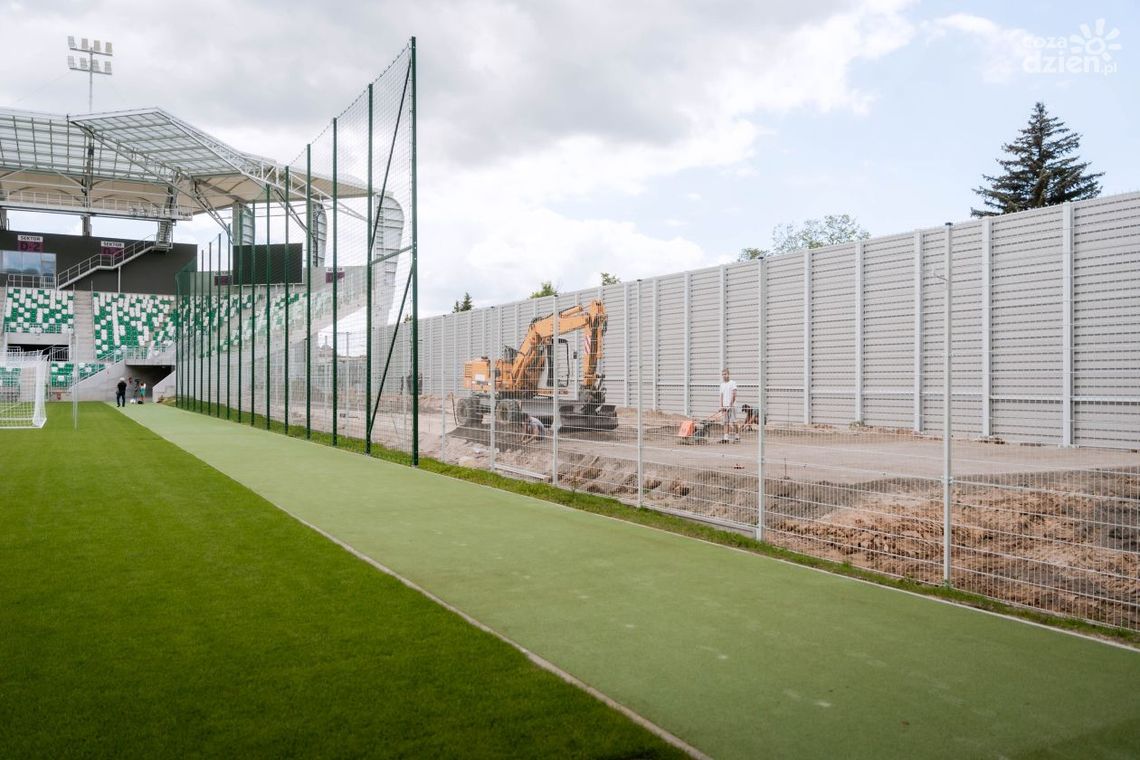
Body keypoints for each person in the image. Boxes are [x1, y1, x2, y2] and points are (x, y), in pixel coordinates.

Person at [719, 368, 739, 443]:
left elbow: (734, 394)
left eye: (725, 374)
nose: (724, 376)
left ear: (728, 374)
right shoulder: (722, 385)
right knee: (725, 422)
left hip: (732, 406)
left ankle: (737, 437)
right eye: (723, 374)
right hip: (724, 406)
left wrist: (730, 404)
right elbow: (721, 396)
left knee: (734, 422)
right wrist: (721, 406)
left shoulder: (732, 383)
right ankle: (726, 438)